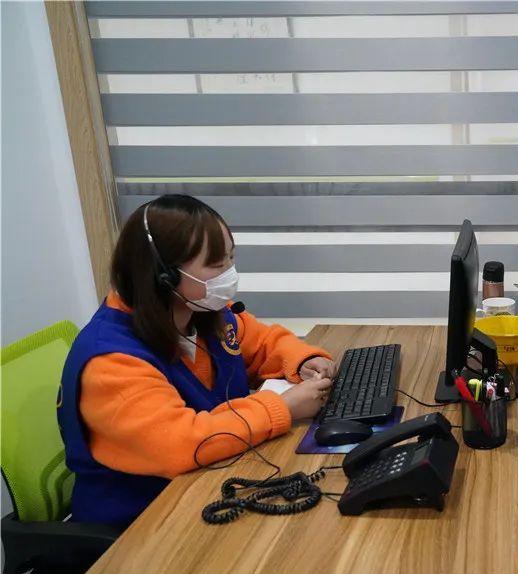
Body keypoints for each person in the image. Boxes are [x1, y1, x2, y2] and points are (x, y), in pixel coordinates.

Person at [58, 195, 337, 527]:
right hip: (142, 522)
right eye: (216, 265)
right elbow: (179, 443)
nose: (229, 274)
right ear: (163, 275)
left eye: (230, 259)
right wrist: (283, 408)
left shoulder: (201, 313)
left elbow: (262, 343)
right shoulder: (110, 361)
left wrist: (303, 360)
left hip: (208, 486)